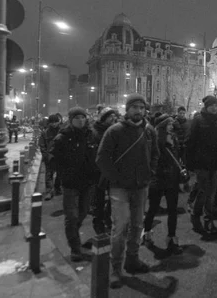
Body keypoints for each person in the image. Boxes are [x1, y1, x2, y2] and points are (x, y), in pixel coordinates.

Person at [97, 93, 159, 288]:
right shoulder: (114, 131)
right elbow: (102, 159)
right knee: (120, 227)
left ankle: (132, 260)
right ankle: (115, 269)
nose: (139, 111)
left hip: (141, 186)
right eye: (135, 107)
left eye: (142, 108)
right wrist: (116, 179)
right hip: (120, 188)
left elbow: (155, 154)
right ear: (127, 109)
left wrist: (150, 173)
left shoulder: (149, 131)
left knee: (138, 225)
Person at [51, 107, 99, 262]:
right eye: (77, 117)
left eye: (82, 117)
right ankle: (75, 248)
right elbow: (52, 158)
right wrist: (64, 173)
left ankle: (73, 233)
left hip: (88, 181)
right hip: (70, 183)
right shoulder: (63, 137)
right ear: (71, 120)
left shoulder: (91, 135)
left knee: (84, 211)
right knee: (71, 216)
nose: (80, 120)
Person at [185, 95, 217, 235]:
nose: (214, 107)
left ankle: (208, 220)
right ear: (206, 106)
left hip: (216, 164)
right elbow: (190, 142)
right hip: (201, 163)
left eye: (216, 105)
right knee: (203, 193)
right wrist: (189, 163)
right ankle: (196, 217)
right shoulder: (198, 120)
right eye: (212, 105)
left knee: (212, 193)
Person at [142, 115, 183, 255]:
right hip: (159, 179)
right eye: (169, 123)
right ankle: (146, 233)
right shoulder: (156, 140)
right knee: (153, 208)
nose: (172, 125)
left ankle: (171, 238)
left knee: (172, 210)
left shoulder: (173, 138)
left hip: (171, 179)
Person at [91, 108, 118, 233]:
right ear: (103, 118)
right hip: (98, 171)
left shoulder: (115, 131)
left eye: (114, 116)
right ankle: (98, 222)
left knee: (114, 197)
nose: (113, 118)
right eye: (110, 116)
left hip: (112, 170)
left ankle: (108, 218)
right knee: (99, 199)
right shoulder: (95, 132)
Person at [40, 114, 63, 200]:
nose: (54, 124)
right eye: (52, 122)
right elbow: (42, 145)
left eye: (55, 122)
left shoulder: (62, 131)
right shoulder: (45, 133)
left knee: (60, 173)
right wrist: (45, 154)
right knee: (49, 173)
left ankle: (57, 188)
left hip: (60, 155)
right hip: (49, 156)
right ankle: (49, 191)